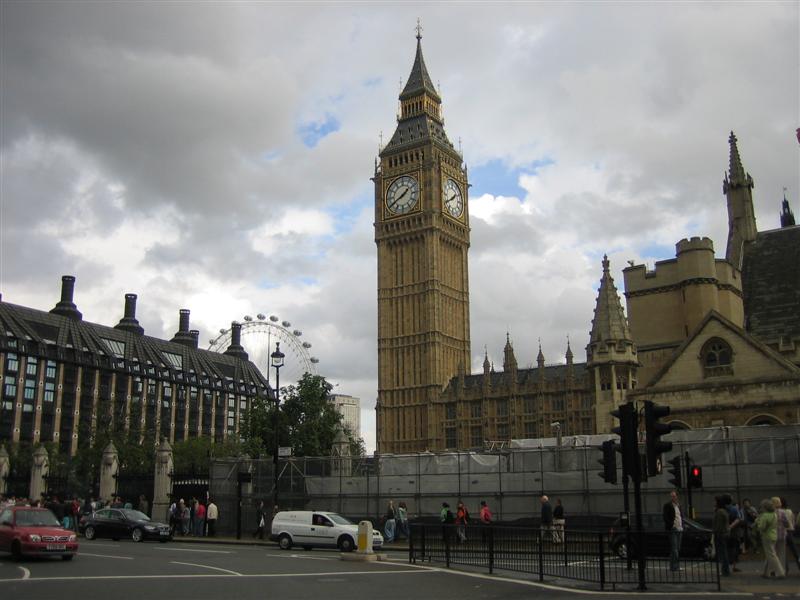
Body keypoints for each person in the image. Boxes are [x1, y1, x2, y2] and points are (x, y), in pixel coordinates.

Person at [755, 498, 785, 578]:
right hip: (774, 535)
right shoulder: (774, 514)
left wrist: (757, 523)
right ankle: (766, 573)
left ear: (764, 507)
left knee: (771, 555)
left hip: (766, 537)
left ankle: (780, 572)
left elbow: (762, 527)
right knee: (770, 555)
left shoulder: (765, 515)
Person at [662, 490, 683, 572]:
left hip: (680, 528)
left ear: (677, 496)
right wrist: (671, 524)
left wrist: (682, 525)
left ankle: (674, 566)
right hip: (673, 529)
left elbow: (680, 516)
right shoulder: (667, 505)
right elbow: (665, 517)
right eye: (671, 496)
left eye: (674, 496)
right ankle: (675, 567)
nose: (673, 497)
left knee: (677, 548)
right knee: (674, 549)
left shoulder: (679, 505)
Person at [780, 497, 800, 572]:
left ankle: (785, 568)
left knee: (782, 552)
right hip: (790, 531)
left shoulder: (779, 512)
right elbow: (793, 521)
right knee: (795, 551)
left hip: (782, 532)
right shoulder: (789, 511)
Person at [713, 496, 731, 576]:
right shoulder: (724, 511)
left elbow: (719, 525)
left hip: (721, 534)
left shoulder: (719, 512)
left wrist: (715, 532)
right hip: (725, 533)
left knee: (723, 553)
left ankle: (725, 571)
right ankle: (725, 570)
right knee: (724, 552)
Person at [772, 497, 789, 574]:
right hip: (782, 535)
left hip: (773, 535)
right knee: (781, 554)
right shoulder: (783, 512)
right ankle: (781, 571)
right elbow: (787, 524)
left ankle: (773, 570)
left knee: (773, 554)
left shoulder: (770, 512)